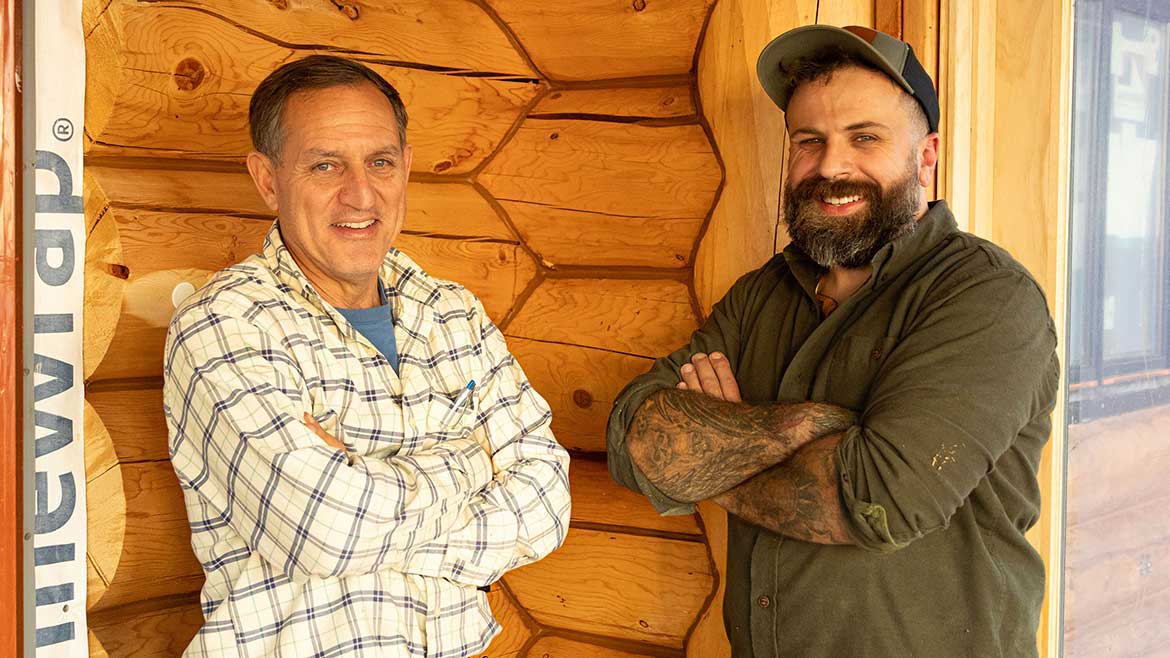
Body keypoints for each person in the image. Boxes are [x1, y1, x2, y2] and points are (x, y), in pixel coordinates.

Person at [606, 25, 1059, 658]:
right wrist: (804, 433)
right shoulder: (760, 295)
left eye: (865, 138)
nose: (831, 166)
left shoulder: (985, 297)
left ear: (926, 155)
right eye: (809, 141)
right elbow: (632, 438)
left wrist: (713, 453)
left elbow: (878, 500)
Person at [164, 55, 570, 658]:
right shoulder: (223, 324)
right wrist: (470, 463)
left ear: (405, 167)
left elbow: (546, 503)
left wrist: (369, 491)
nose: (360, 194)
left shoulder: (452, 313)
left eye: (380, 162)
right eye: (325, 164)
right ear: (268, 179)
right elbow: (328, 532)